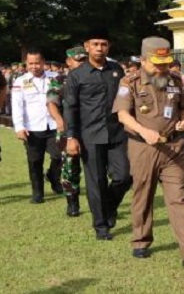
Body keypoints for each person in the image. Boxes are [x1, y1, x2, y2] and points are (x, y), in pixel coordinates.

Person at [114, 37, 184, 268]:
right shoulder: (129, 82)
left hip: (173, 147)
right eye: (157, 63)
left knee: (178, 198)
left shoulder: (176, 80)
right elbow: (122, 114)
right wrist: (143, 131)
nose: (162, 68)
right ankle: (141, 240)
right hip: (142, 147)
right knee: (143, 194)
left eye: (165, 63)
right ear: (143, 60)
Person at [63, 29, 132, 240]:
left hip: (116, 133)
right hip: (89, 135)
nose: (99, 48)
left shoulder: (117, 70)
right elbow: (70, 107)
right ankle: (101, 226)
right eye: (95, 44)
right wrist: (71, 137)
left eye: (103, 44)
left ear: (108, 47)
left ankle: (108, 207)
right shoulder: (76, 75)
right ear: (87, 47)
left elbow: (125, 98)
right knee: (97, 181)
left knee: (124, 176)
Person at [12, 49, 63, 204]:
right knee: (35, 161)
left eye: (37, 63)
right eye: (30, 63)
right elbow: (17, 106)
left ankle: (54, 177)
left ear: (43, 62)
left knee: (59, 156)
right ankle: (37, 192)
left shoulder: (55, 78)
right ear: (26, 64)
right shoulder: (20, 81)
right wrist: (19, 127)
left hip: (53, 125)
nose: (34, 66)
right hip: (32, 127)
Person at [47, 46, 88, 217]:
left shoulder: (92, 76)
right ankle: (73, 203)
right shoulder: (60, 79)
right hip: (67, 129)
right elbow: (51, 103)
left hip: (89, 128)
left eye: (84, 60)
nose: (81, 63)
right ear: (69, 61)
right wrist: (60, 121)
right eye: (78, 60)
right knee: (70, 168)